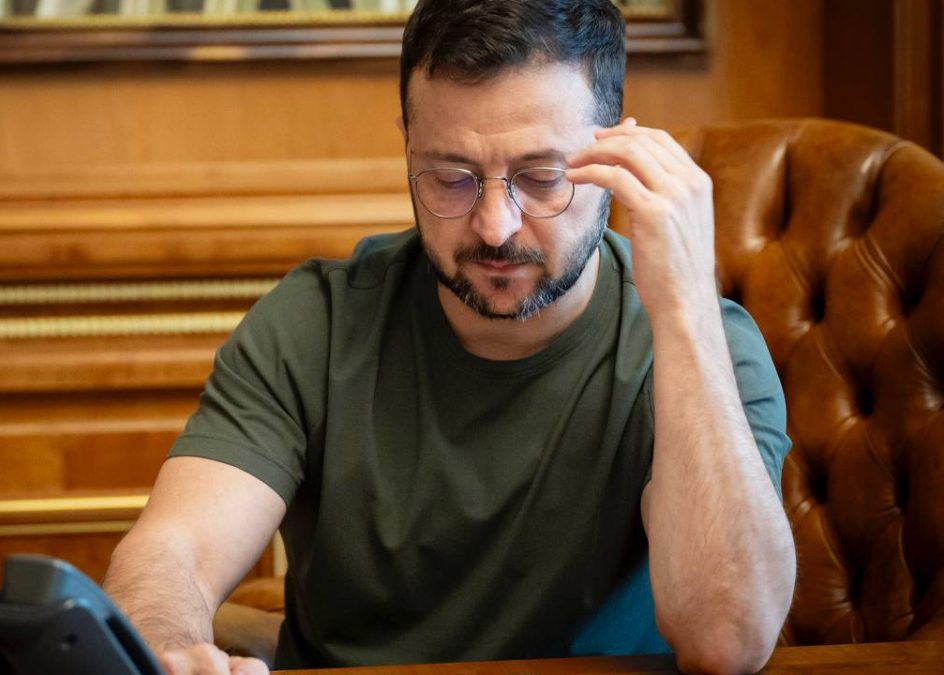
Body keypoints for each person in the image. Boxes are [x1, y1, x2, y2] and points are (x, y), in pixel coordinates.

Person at [103, 1, 797, 673]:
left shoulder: (706, 346)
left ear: (615, 151)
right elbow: (175, 550)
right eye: (451, 178)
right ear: (408, 142)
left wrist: (685, 309)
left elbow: (726, 641)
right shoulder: (315, 322)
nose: (495, 225)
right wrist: (167, 644)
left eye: (540, 177)